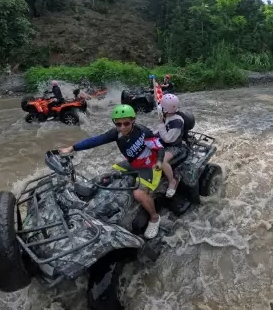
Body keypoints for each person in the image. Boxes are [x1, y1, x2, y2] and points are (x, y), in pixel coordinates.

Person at [58, 104, 176, 239]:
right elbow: (96, 140)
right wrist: (71, 148)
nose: (122, 127)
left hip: (149, 165)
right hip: (133, 163)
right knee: (109, 174)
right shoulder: (116, 133)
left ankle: (154, 218)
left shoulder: (143, 132)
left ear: (133, 120)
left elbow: (159, 148)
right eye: (118, 124)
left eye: (126, 123)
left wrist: (159, 161)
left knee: (138, 194)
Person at [154, 93, 188, 198]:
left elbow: (168, 139)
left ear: (166, 109)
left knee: (162, 160)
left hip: (174, 146)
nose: (161, 108)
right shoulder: (167, 114)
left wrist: (160, 123)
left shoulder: (177, 122)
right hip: (163, 142)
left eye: (162, 107)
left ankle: (172, 181)